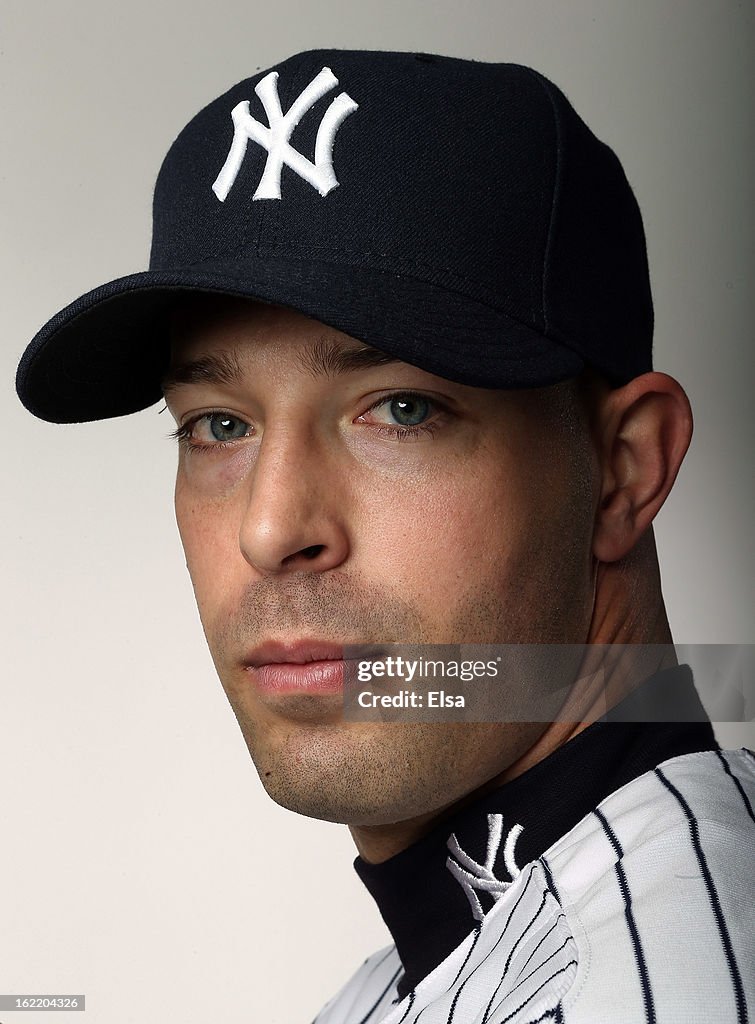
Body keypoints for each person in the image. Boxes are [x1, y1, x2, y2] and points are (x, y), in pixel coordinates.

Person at [16, 49, 753, 1024]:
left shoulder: (632, 981)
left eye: (398, 408)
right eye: (219, 424)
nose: (270, 528)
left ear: (624, 466)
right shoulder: (467, 952)